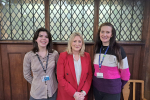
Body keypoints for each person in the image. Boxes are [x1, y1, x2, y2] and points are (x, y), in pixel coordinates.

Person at [93, 22, 130, 100]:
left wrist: (116, 86)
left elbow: (125, 74)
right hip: (97, 89)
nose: (104, 34)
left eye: (108, 32)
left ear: (112, 35)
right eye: (102, 32)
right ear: (99, 33)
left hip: (112, 91)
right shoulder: (97, 49)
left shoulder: (118, 50)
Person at [23, 27, 59, 100]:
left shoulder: (54, 54)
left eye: (46, 37)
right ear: (36, 39)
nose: (44, 38)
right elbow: (26, 74)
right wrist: (37, 83)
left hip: (52, 91)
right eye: (41, 36)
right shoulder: (29, 56)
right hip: (37, 93)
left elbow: (58, 71)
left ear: (49, 40)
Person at [56, 32, 92, 100]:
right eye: (74, 41)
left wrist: (83, 92)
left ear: (82, 43)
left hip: (82, 96)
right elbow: (60, 78)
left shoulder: (87, 56)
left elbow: (89, 76)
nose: (77, 44)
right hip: (66, 95)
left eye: (79, 41)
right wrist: (74, 93)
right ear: (70, 43)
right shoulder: (63, 56)